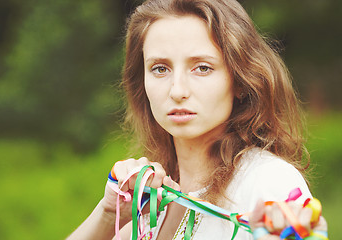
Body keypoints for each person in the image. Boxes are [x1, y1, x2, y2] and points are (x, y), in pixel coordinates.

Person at [67, 0, 328, 239]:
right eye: (160, 69)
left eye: (202, 68)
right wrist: (109, 213)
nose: (177, 91)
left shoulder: (267, 182)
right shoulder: (147, 200)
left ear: (240, 80)